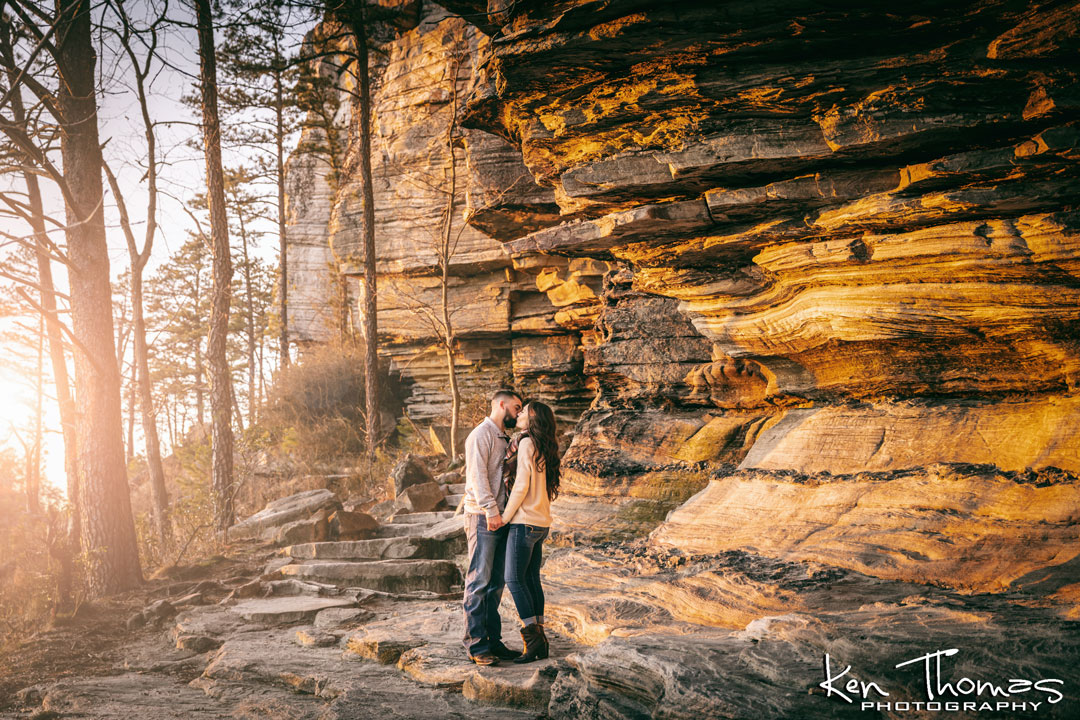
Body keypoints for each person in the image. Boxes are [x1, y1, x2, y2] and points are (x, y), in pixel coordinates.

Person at [460, 388, 524, 665]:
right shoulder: (480, 435)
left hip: (500, 519)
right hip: (482, 517)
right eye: (517, 407)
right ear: (502, 404)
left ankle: (492, 641)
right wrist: (490, 510)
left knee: (496, 584)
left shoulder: (504, 438)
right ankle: (476, 645)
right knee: (478, 581)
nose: (519, 412)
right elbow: (477, 478)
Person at [500, 400, 560, 663]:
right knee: (532, 580)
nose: (520, 412)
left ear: (533, 418)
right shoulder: (544, 444)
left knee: (514, 580)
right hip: (542, 522)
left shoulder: (525, 443)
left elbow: (521, 485)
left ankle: (533, 642)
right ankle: (541, 641)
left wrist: (504, 517)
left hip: (524, 522)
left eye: (524, 410)